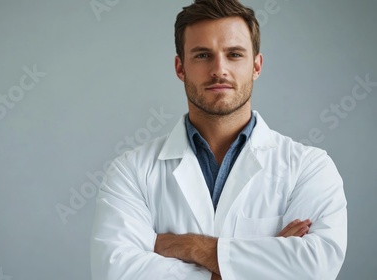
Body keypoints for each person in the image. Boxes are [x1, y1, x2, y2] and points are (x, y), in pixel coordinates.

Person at [90, 0, 347, 279]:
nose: (219, 70)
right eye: (202, 55)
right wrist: (262, 260)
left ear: (256, 66)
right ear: (180, 68)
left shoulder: (309, 168)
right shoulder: (131, 171)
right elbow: (114, 271)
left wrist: (188, 246)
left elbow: (316, 267)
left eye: (234, 54)